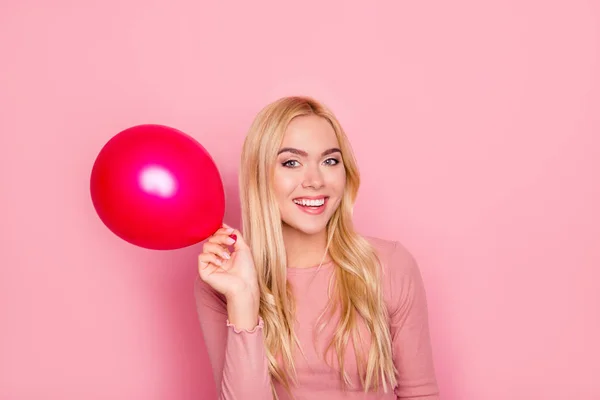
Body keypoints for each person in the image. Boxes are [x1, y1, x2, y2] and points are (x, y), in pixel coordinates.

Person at [194, 96, 440, 399]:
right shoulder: (223, 282)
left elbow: (421, 393)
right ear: (260, 176)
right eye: (291, 162)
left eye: (329, 161)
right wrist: (243, 297)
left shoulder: (389, 265)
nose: (315, 180)